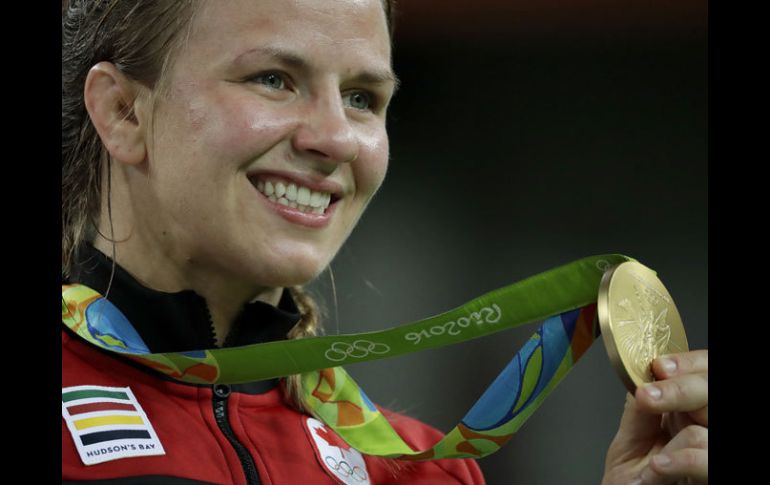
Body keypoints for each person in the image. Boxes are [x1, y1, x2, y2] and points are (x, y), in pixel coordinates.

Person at [61, 1, 708, 484]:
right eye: (273, 79)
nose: (336, 138)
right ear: (123, 112)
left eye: (362, 98)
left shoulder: (422, 470)